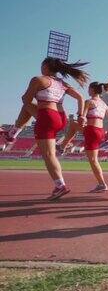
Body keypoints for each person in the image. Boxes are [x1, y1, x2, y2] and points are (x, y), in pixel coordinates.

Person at [1, 57, 88, 200]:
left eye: (42, 65)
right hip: (60, 118)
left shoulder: (38, 79)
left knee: (49, 155)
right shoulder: (62, 83)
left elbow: (26, 99)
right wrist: (81, 115)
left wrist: (32, 98)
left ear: (46, 66)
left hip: (47, 116)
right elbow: (80, 97)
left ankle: (60, 186)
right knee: (50, 153)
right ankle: (13, 133)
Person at [58, 78, 108, 192]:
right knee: (73, 125)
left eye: (88, 88)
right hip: (99, 131)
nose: (87, 90)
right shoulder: (103, 104)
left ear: (92, 90)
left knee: (93, 160)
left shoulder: (89, 101)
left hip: (91, 130)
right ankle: (62, 147)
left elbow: (82, 117)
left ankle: (102, 184)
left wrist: (81, 118)